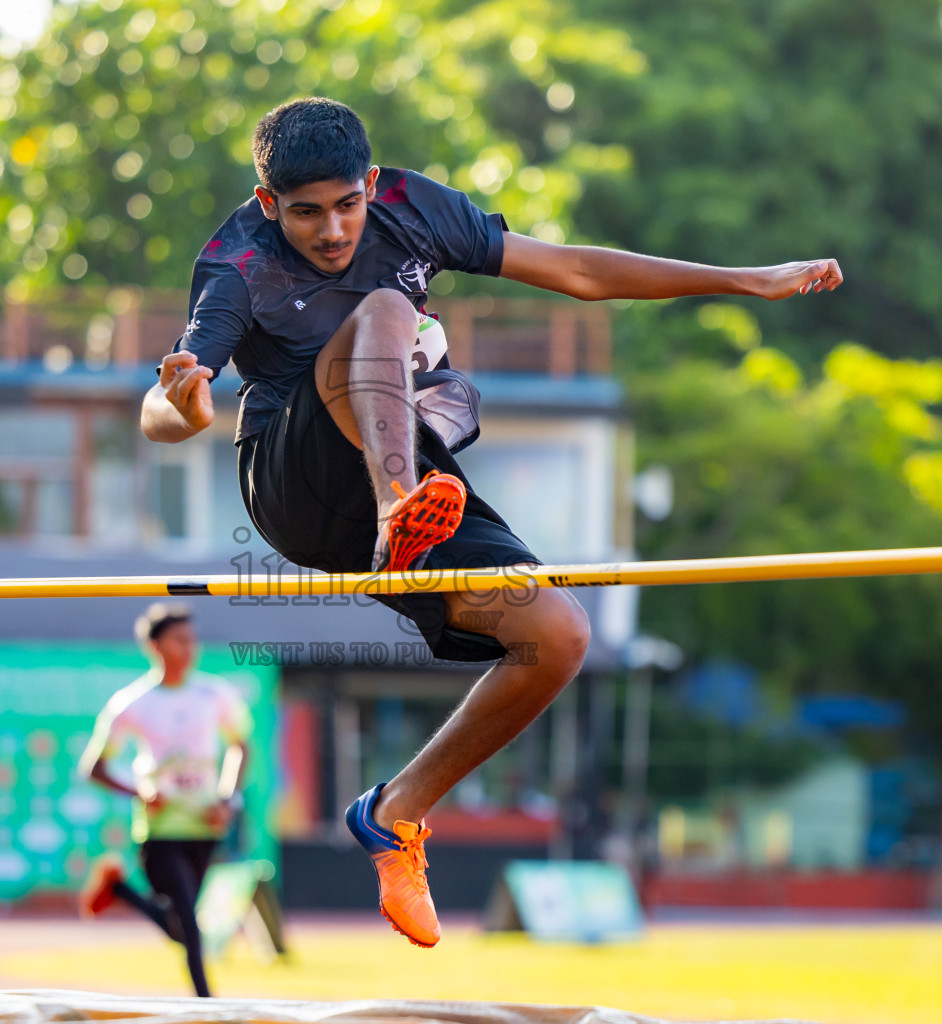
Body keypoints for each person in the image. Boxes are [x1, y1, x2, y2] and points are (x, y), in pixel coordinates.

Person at [141, 97, 842, 947]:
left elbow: (579, 272)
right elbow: (163, 413)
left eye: (346, 205)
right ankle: (403, 508)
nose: (331, 231)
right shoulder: (235, 263)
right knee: (391, 315)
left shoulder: (414, 208)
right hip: (295, 484)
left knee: (558, 636)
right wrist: (184, 403)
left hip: (405, 464)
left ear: (371, 183)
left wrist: (743, 279)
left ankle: (394, 814)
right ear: (267, 204)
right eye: (305, 213)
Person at [77, 604, 252, 997]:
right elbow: (95, 767)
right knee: (189, 925)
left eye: (193, 639)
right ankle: (209, 1007)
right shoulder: (133, 702)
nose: (190, 648)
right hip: (159, 829)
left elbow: (241, 747)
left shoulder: (215, 694)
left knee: (180, 925)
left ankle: (119, 890)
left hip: (206, 823)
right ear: (155, 646)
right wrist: (140, 792)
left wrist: (228, 799)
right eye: (180, 640)